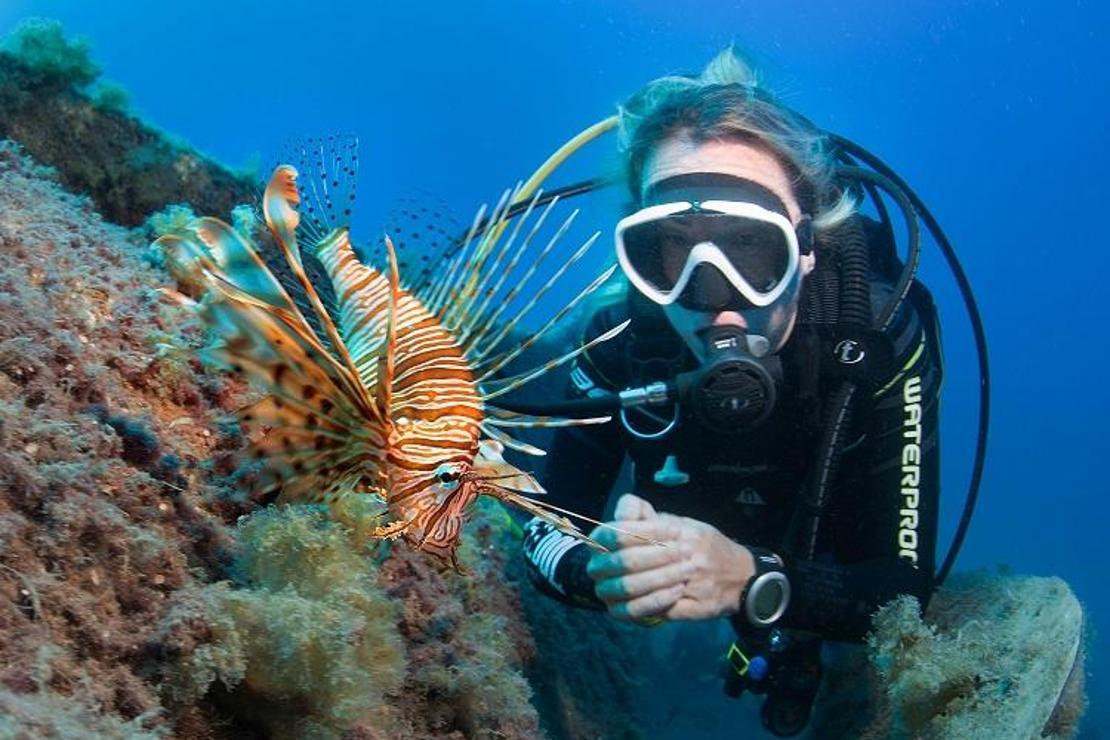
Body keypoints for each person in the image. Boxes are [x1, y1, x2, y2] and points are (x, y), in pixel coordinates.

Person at [520, 49, 943, 736]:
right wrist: (591, 571)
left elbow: (899, 591)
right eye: (669, 250)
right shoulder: (619, 342)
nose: (713, 298)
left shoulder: (878, 339)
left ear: (807, 244)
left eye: (749, 250)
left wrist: (753, 582)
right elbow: (540, 518)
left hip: (817, 546)